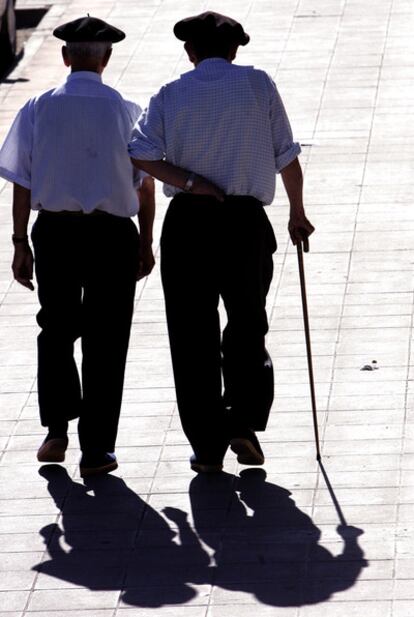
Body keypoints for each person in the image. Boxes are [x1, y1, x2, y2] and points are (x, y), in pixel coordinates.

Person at [128, 11, 314, 474]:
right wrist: (297, 212)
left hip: (190, 223)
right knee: (247, 324)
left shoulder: (170, 94)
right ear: (235, 50)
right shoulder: (259, 85)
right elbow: (286, 155)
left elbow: (140, 151)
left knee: (192, 333)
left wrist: (190, 182)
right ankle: (244, 424)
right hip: (245, 220)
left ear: (189, 52)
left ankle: (206, 444)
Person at [0, 16, 155, 477]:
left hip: (56, 232)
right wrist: (146, 242)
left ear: (66, 57)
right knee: (108, 341)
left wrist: (19, 240)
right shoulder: (128, 111)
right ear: (106, 59)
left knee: (56, 329)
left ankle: (56, 430)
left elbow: (21, 183)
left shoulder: (37, 108)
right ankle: (97, 448)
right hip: (112, 237)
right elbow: (145, 187)